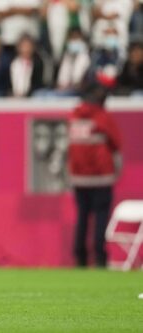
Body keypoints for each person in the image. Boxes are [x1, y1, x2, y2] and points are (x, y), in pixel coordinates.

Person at [67, 78, 123, 267]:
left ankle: (80, 257)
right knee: (100, 217)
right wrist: (116, 171)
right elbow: (116, 145)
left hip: (79, 178)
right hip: (101, 177)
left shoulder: (75, 116)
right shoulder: (102, 117)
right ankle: (100, 257)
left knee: (82, 218)